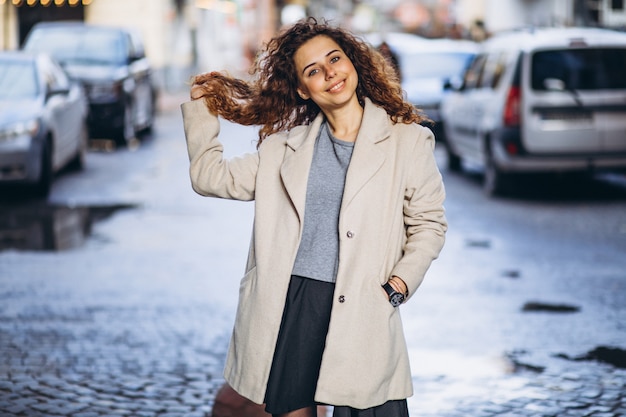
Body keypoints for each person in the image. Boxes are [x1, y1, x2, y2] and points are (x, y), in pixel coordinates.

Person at [182, 17, 447, 417]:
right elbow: (209, 177)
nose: (329, 73)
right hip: (295, 299)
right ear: (303, 90)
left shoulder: (407, 140)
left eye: (334, 59)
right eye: (313, 71)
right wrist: (203, 107)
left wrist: (398, 285)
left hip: (365, 300)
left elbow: (429, 224)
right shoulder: (283, 150)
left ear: (353, 62)